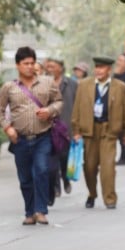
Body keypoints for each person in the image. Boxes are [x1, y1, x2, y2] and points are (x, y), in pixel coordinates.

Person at [0, 47, 63, 225]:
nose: (30, 67)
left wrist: (49, 110)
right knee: (25, 178)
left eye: (32, 63)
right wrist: (7, 127)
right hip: (20, 139)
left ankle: (41, 211)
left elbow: (59, 101)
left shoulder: (47, 83)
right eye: (26, 64)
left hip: (43, 136)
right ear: (18, 65)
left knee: (41, 170)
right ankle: (29, 212)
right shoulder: (9, 87)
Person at [70, 56, 125, 209]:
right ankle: (92, 193)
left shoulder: (120, 87)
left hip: (109, 131)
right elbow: (76, 109)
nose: (98, 70)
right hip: (89, 130)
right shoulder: (84, 85)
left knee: (108, 166)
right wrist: (76, 130)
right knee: (89, 167)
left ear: (109, 70)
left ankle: (110, 199)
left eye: (102, 67)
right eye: (96, 67)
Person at [44, 58, 77, 196]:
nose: (49, 69)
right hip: (49, 127)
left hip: (66, 127)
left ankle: (66, 178)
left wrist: (77, 127)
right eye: (48, 66)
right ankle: (56, 187)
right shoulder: (42, 84)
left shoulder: (72, 84)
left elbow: (78, 105)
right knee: (52, 160)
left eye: (53, 66)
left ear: (61, 68)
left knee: (64, 157)